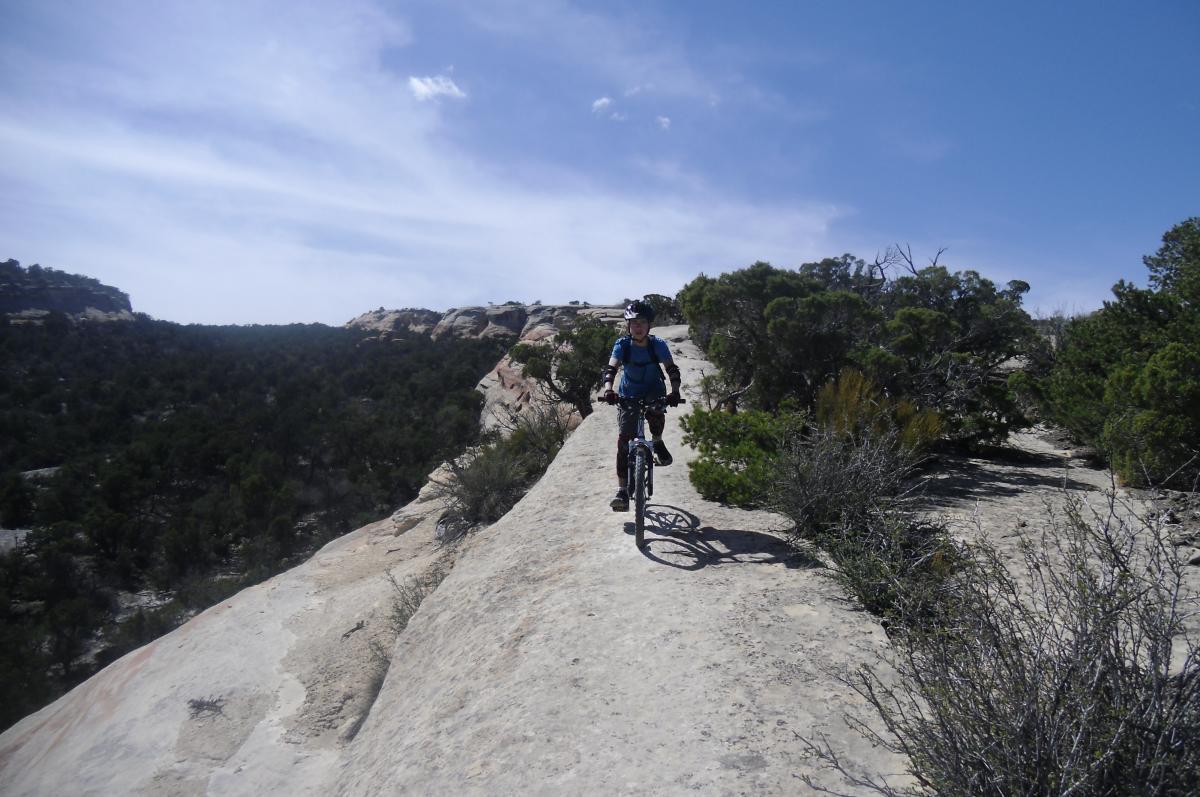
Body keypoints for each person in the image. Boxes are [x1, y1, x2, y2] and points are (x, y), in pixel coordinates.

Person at [600, 300, 682, 511]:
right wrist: (609, 389)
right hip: (629, 393)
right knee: (623, 442)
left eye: (642, 322)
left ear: (648, 325)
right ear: (628, 325)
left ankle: (657, 441)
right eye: (633, 322)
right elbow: (611, 369)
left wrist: (674, 392)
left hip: (654, 389)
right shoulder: (622, 345)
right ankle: (622, 491)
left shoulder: (658, 344)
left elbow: (671, 369)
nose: (637, 326)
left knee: (656, 413)